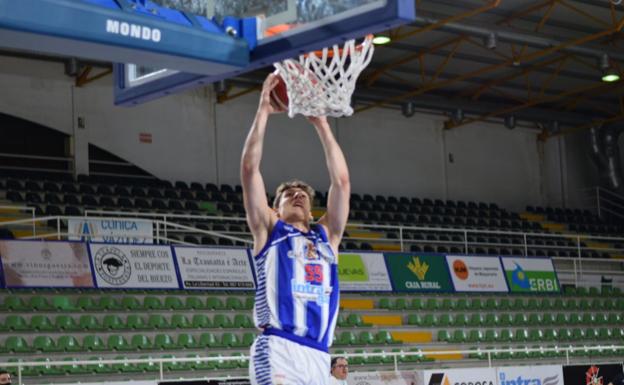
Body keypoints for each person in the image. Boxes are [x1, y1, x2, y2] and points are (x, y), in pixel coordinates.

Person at [241, 73, 350, 385]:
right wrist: (263, 109)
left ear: (312, 209)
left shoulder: (326, 236)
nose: (298, 196)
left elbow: (341, 182)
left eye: (303, 195)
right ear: (276, 208)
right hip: (278, 348)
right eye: (289, 195)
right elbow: (250, 171)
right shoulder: (269, 230)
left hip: (318, 354)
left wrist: (322, 124)